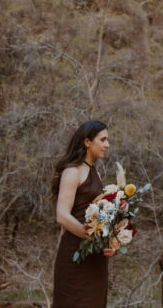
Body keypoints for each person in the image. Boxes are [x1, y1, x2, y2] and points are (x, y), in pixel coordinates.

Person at [51, 120, 114, 308]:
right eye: (102, 140)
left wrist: (109, 241)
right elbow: (62, 215)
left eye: (107, 140)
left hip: (95, 259)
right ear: (87, 142)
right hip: (75, 255)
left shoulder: (95, 172)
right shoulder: (72, 172)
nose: (107, 145)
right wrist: (91, 236)